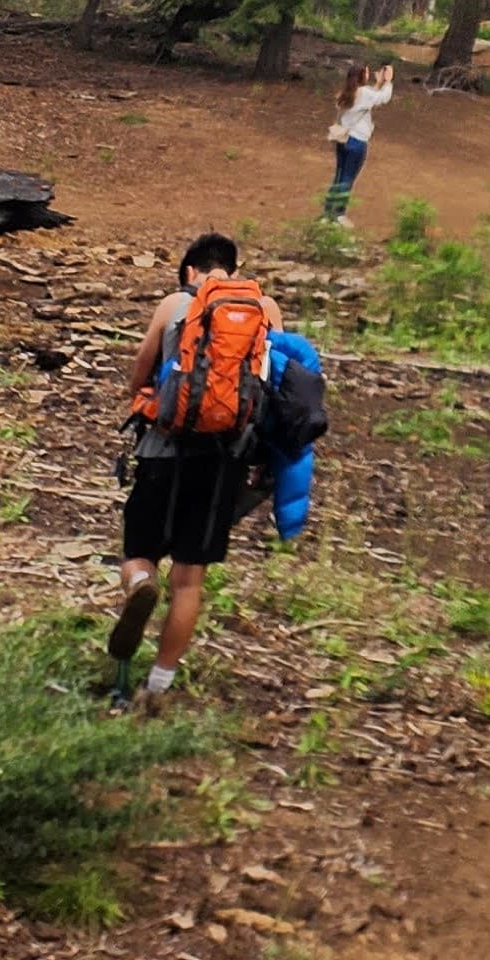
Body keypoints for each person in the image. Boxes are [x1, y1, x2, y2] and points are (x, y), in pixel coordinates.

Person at [107, 233, 282, 706]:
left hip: (164, 453)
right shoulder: (266, 308)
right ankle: (158, 685)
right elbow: (272, 386)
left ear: (191, 271)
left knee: (139, 551)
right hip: (225, 459)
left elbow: (139, 373)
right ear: (230, 267)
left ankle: (141, 585)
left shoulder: (173, 305)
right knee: (189, 579)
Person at [322, 62, 395, 220]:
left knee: (339, 175)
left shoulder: (346, 92)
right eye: (367, 73)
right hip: (357, 141)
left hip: (343, 139)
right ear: (362, 76)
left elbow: (368, 99)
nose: (369, 75)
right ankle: (339, 214)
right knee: (349, 177)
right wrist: (388, 81)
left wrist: (378, 83)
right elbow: (383, 98)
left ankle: (328, 211)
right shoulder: (364, 93)